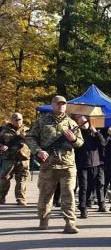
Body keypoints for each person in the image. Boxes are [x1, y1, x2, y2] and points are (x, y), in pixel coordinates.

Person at [27, 96, 84, 233]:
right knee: (45, 194)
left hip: (67, 165)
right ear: (52, 105)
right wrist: (38, 151)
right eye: (58, 104)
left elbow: (80, 143)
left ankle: (70, 223)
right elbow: (30, 137)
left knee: (69, 194)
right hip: (48, 165)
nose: (61, 106)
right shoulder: (42, 121)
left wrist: (74, 139)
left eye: (63, 104)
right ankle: (43, 219)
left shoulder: (71, 123)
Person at [74, 115, 107, 218]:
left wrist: (96, 132)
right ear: (78, 123)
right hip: (82, 163)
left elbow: (103, 144)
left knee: (91, 186)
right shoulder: (77, 133)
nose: (84, 124)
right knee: (83, 186)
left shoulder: (94, 133)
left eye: (85, 121)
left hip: (94, 163)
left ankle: (85, 203)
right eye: (81, 122)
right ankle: (83, 208)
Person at [0, 113, 30, 205]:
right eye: (16, 119)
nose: (18, 121)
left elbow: (34, 142)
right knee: (4, 178)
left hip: (23, 158)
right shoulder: (3, 131)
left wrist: (26, 138)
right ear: (11, 120)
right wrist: (1, 146)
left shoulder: (28, 130)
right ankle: (1, 198)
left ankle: (20, 199)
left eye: (20, 119)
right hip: (8, 158)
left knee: (22, 179)